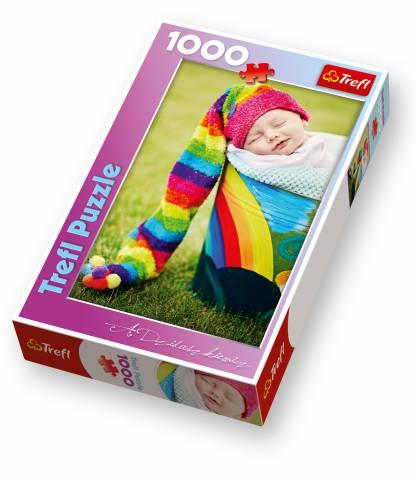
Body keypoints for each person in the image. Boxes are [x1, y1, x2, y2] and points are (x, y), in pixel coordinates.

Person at [81, 84, 345, 318]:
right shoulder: (256, 165)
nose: (272, 135)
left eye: (279, 123)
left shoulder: (324, 148)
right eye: (255, 137)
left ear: (302, 117)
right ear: (242, 149)